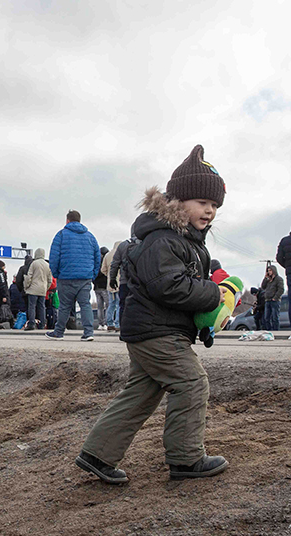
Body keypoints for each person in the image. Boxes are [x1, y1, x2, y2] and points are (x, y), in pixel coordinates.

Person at [77, 145, 229, 484]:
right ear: (179, 201)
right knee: (191, 383)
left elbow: (180, 286)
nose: (210, 211)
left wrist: (203, 323)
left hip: (155, 329)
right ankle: (186, 460)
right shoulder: (163, 239)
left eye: (215, 205)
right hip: (156, 332)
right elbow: (169, 286)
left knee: (142, 392)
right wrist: (212, 294)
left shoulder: (185, 241)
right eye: (203, 202)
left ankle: (98, 454)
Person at [45, 210, 101, 341]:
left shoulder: (61, 235)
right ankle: (88, 332)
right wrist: (92, 274)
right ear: (79, 220)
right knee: (85, 304)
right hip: (85, 277)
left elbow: (54, 257)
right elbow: (97, 257)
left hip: (65, 276)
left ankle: (59, 332)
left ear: (67, 220)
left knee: (64, 306)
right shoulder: (90, 236)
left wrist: (56, 273)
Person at [24, 248, 51, 331]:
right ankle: (42, 324)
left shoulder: (34, 263)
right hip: (42, 289)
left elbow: (29, 276)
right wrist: (46, 288)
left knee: (32, 306)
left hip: (33, 289)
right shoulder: (47, 265)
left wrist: (26, 286)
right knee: (42, 307)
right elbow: (49, 280)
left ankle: (32, 323)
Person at [102, 241, 121, 332]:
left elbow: (103, 269)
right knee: (119, 304)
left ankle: (109, 323)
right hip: (120, 283)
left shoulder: (107, 255)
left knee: (111, 305)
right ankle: (117, 324)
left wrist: (109, 276)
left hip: (110, 284)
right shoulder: (121, 253)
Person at [260, 265, 283, 330]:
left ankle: (276, 331)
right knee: (266, 318)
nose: (269, 272)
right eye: (268, 271)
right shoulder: (268, 280)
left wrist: (275, 297)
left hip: (275, 301)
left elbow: (281, 289)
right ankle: (268, 330)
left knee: (275, 318)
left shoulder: (278, 279)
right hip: (267, 300)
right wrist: (265, 278)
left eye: (270, 270)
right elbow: (263, 287)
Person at [93, 246, 110, 330]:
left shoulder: (95, 262)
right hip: (104, 286)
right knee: (108, 305)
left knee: (99, 307)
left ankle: (101, 323)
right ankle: (107, 323)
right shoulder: (105, 262)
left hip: (96, 287)